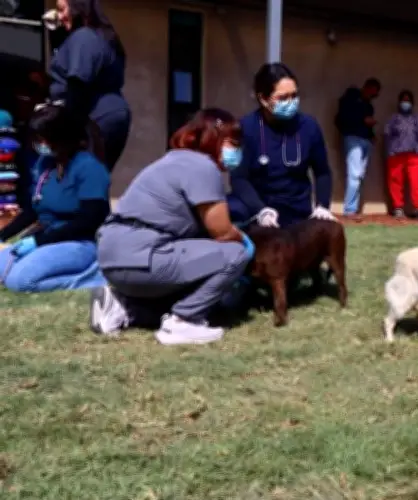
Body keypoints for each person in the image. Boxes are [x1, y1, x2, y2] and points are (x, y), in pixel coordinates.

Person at [91, 108, 255, 345]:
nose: (237, 152)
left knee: (197, 274)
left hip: (112, 257)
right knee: (234, 254)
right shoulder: (203, 167)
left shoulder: (170, 160)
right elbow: (222, 232)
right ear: (214, 139)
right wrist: (244, 239)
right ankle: (184, 321)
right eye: (233, 144)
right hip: (144, 256)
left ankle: (123, 306)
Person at [0, 104, 110, 292]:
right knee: (4, 271)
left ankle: (94, 277)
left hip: (77, 243)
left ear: (62, 138)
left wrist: (39, 241)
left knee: (21, 281)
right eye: (37, 139)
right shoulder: (45, 164)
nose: (40, 144)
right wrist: (3, 235)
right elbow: (33, 209)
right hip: (47, 239)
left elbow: (90, 220)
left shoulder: (89, 168)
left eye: (44, 139)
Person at [228, 63, 335, 229]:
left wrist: (323, 205)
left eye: (294, 95)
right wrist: (260, 210)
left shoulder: (309, 126)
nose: (290, 102)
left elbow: (322, 172)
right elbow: (238, 178)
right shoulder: (246, 128)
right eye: (283, 98)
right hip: (261, 213)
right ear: (263, 99)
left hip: (298, 212)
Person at [47, 0, 131, 171]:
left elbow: (78, 84)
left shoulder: (83, 37)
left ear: (78, 7)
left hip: (92, 118)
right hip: (109, 115)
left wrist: (68, 132)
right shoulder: (101, 38)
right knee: (94, 175)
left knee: (79, 176)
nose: (59, 16)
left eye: (62, 10)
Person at [336, 77, 381, 220]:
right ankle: (349, 210)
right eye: (372, 91)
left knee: (359, 176)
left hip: (365, 140)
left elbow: (366, 124)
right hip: (353, 138)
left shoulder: (369, 106)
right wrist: (362, 120)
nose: (373, 95)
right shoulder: (350, 99)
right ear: (367, 87)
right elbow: (342, 119)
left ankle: (353, 208)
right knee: (354, 175)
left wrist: (371, 135)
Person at [384, 90, 418, 222]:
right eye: (403, 100)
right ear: (399, 102)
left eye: (408, 100)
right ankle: (398, 208)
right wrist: (390, 152)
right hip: (396, 154)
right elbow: (387, 135)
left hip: (414, 155)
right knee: (395, 181)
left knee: (417, 182)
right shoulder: (393, 119)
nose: (405, 103)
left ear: (412, 103)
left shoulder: (417, 119)